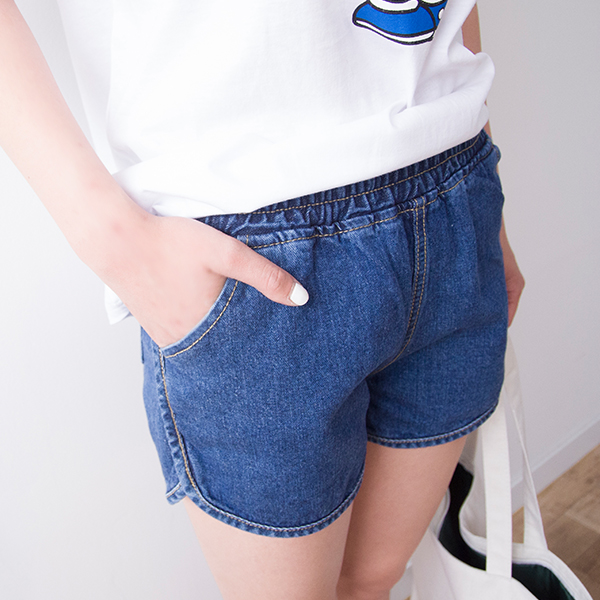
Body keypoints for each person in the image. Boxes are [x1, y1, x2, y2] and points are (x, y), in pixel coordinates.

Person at [0, 0, 524, 598]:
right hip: (251, 255)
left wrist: (490, 198)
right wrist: (115, 240)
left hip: (455, 190)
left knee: (372, 580)